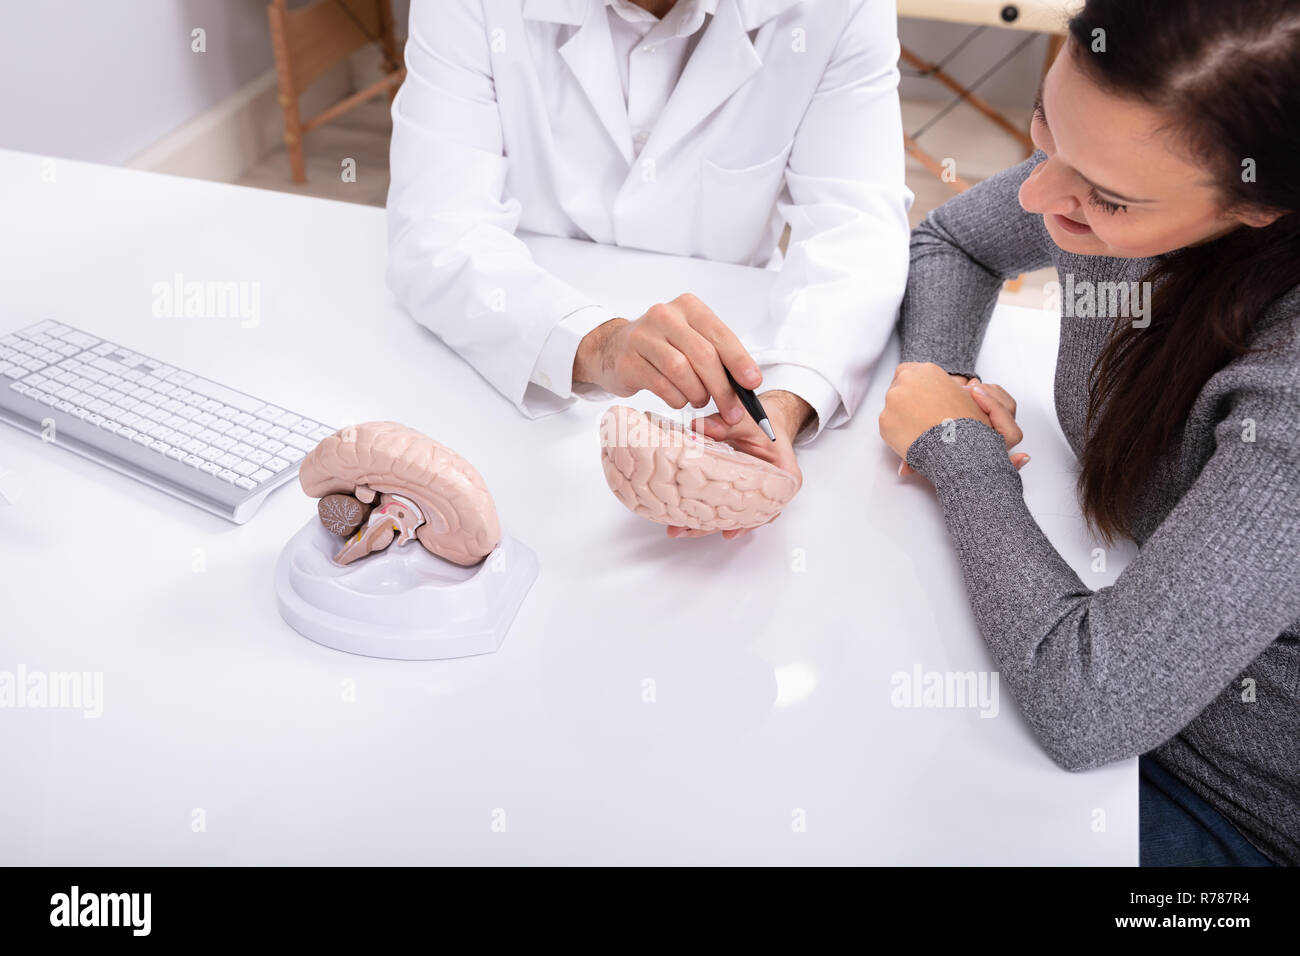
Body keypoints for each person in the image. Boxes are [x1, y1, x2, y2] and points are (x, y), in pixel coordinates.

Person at [879, 0, 1300, 865]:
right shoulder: (1102, 168)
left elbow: (1089, 707)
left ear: (1261, 206)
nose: (1036, 195)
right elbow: (956, 240)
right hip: (1110, 662)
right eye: (1045, 124)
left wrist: (957, 451)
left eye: (1106, 198)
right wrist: (946, 385)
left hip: (1231, 802)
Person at [387, 0, 912, 537]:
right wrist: (594, 342)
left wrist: (784, 400)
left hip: (737, 360)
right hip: (501, 358)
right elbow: (437, 227)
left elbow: (856, 232)